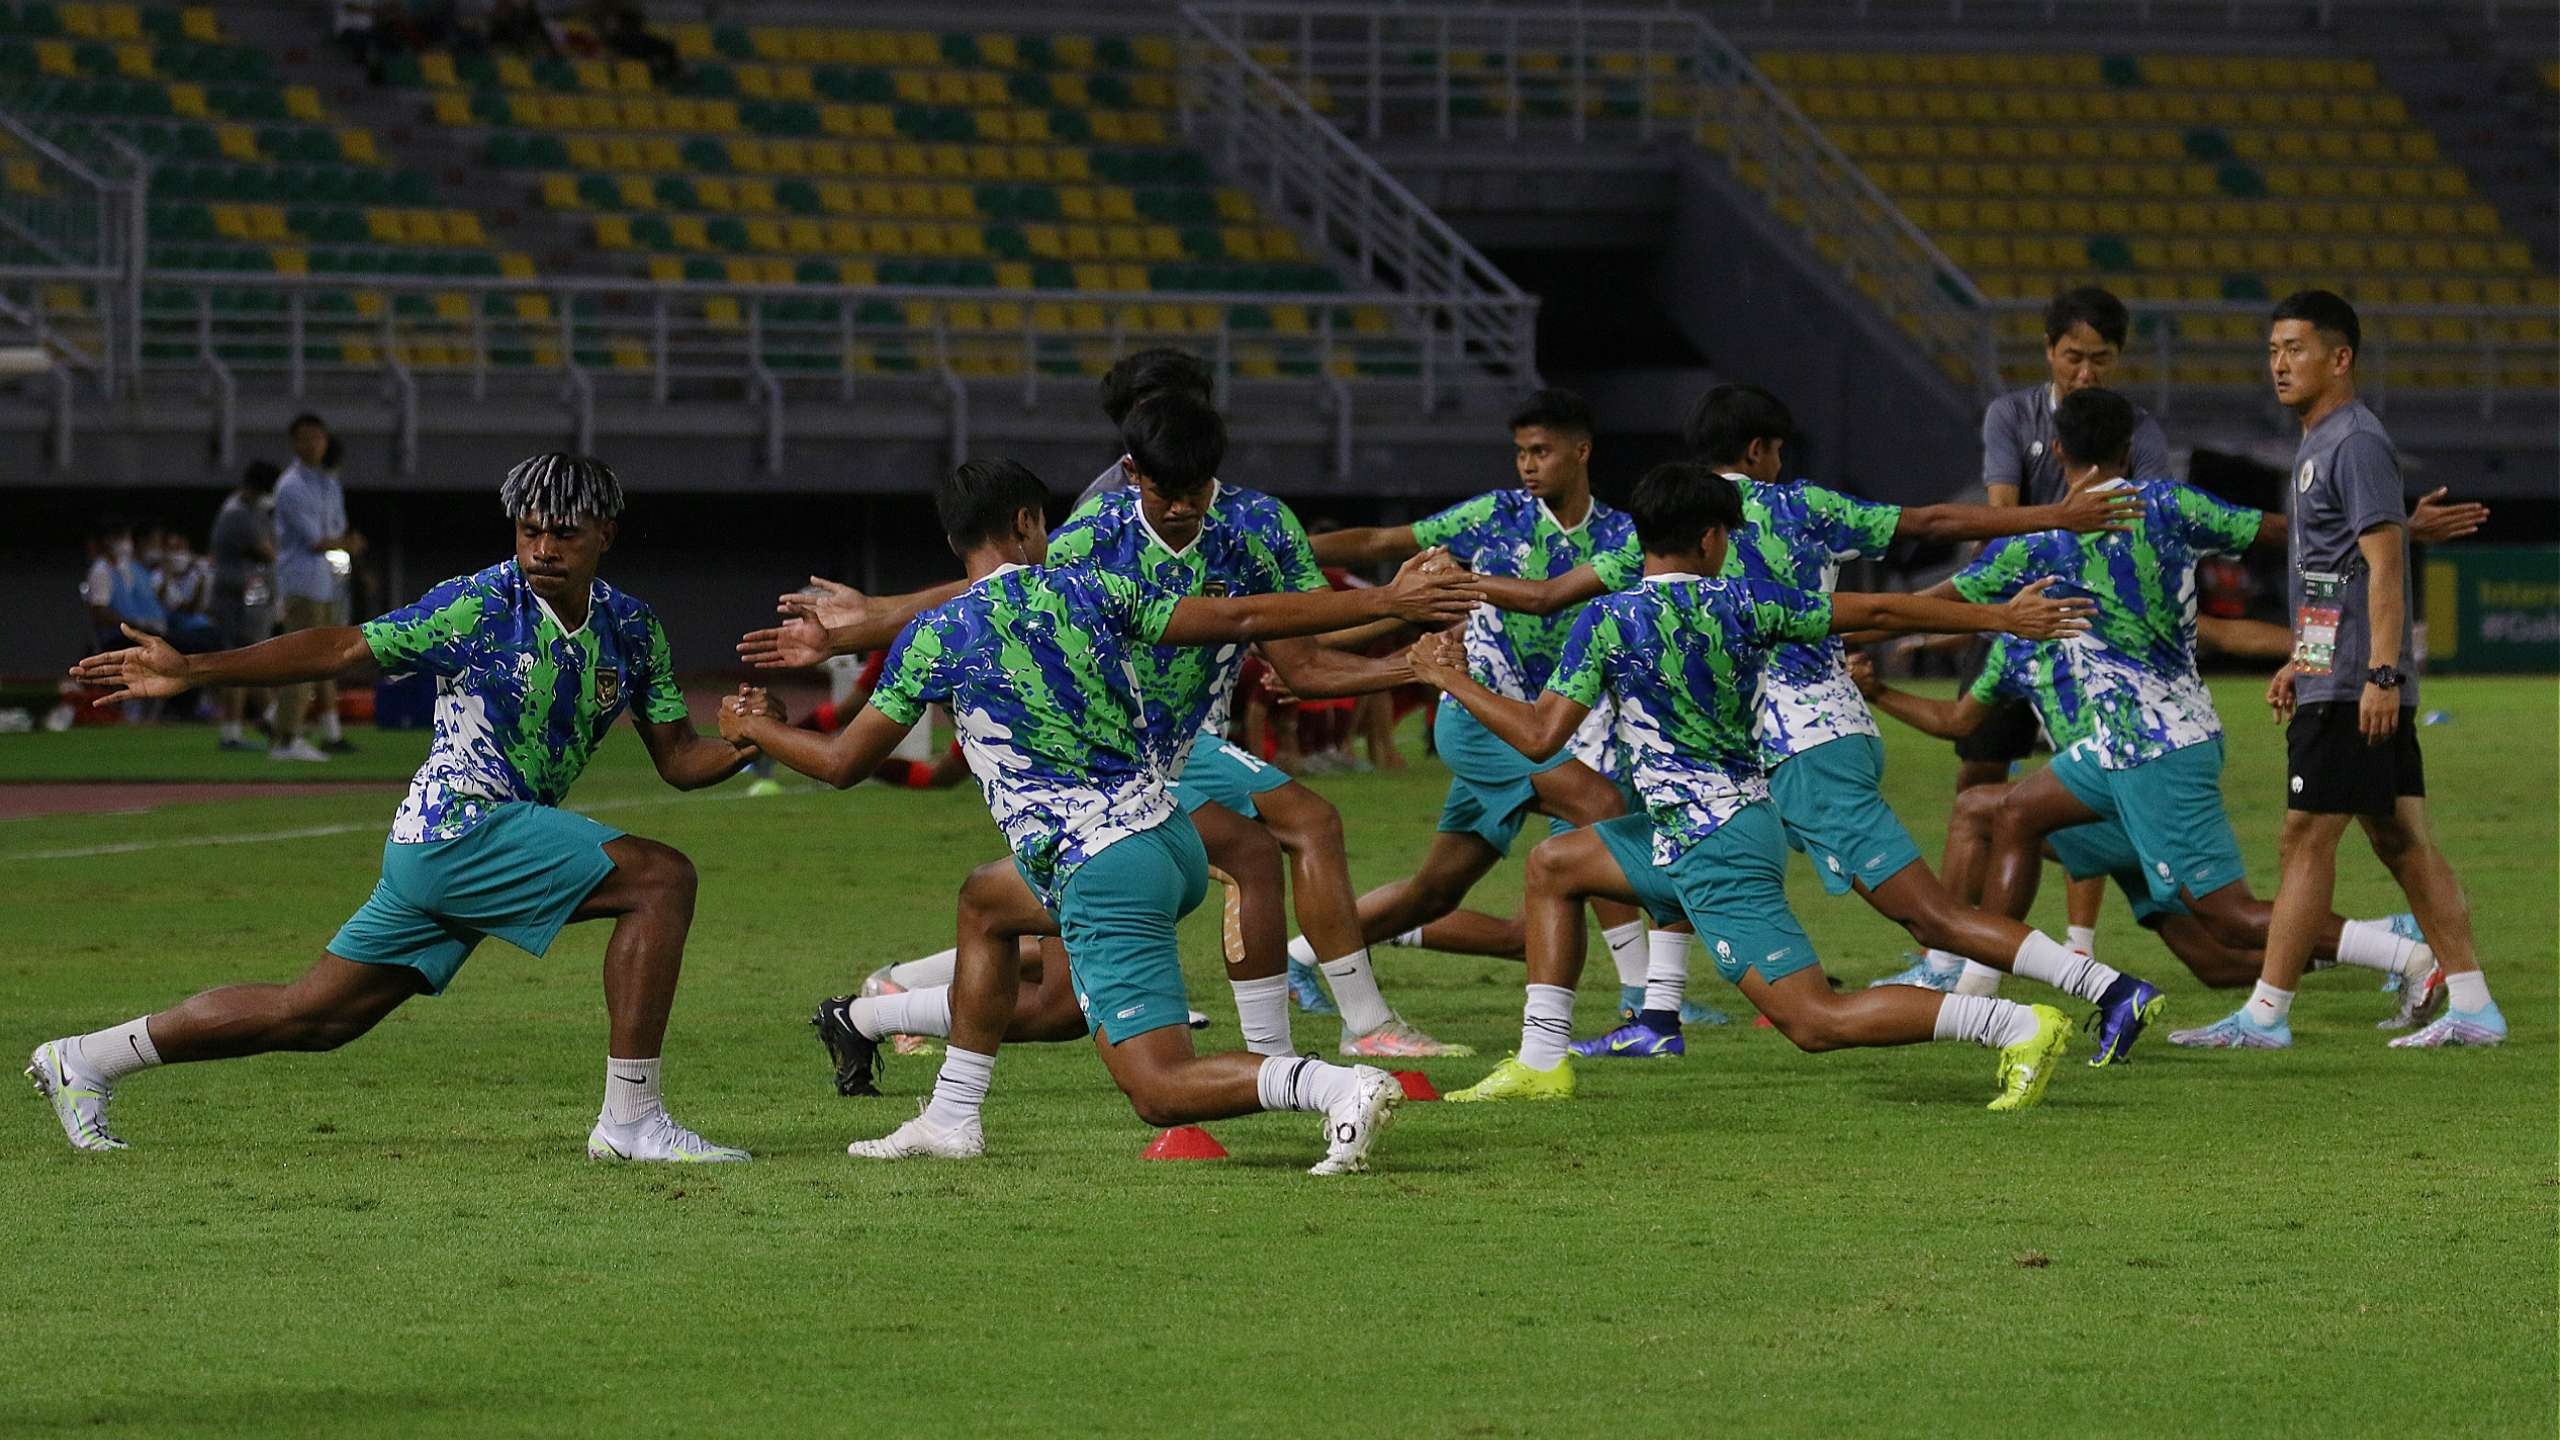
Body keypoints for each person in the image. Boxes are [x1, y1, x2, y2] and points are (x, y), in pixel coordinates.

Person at [719, 458, 1485, 1169]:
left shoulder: (935, 635)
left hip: (1102, 868)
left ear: (957, 539)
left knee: (1158, 1089)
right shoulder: (1094, 590)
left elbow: (842, 764)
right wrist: (1386, 599)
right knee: (986, 903)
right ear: (1026, 523)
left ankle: (1333, 1087)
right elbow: (1241, 618)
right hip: (1170, 835)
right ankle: (951, 1116)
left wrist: (757, 729)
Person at [37, 455, 763, 1163]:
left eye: (564, 533)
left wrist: (747, 740)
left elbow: (678, 759)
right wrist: (193, 668)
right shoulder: (476, 604)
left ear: (606, 532)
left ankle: (85, 1060)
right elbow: (344, 647)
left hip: (461, 843)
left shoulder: (634, 629)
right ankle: (631, 1121)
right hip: (459, 829)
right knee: (662, 880)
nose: (542, 548)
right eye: (529, 529)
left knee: (316, 1016)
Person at [1468, 384, 2170, 1063]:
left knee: (1925, 914)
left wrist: (1452, 588)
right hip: (1796, 741)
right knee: (1649, 843)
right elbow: (1931, 524)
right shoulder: (1801, 507)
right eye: (1778, 450)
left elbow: (1546, 596)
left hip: (1801, 749)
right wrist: (2050, 516)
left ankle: (2103, 987)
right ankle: (1657, 1012)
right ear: (1758, 449)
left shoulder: (1663, 534)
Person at [1407, 464, 2085, 1109]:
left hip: (1713, 845)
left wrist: (1449, 679)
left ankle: (2015, 1026)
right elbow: (1876, 612)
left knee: (1817, 1020)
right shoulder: (1749, 603)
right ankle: (1540, 1061)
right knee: (1553, 865)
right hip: (1698, 827)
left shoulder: (1606, 620)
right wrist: (1998, 618)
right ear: (1709, 538)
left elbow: (1537, 736)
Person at [1946, 389, 2447, 1037]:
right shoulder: (2172, 505)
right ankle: (1979, 991)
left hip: (2161, 749)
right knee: (2012, 812)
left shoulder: (2040, 540)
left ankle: (2407, 955)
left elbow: (1945, 596)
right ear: (2129, 447)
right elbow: (2285, 532)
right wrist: (2397, 522)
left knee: (2227, 918)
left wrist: (1840, 626)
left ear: (2060, 450)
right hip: (2120, 744)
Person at [2172, 291, 2503, 1050]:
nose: (2279, 364)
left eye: (2295, 349)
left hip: (2359, 685)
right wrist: (2303, 657)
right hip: (2338, 672)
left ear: (2340, 357)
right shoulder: (2318, 443)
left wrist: (2382, 676)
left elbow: (2386, 569)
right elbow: (2333, 574)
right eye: (2272, 351)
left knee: (2304, 837)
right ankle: (2474, 1005)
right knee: (2401, 841)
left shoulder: (2353, 441)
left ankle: (2265, 1014)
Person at [1297, 389, 1675, 1017]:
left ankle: (1299, 956)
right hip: (1480, 717)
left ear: (1580, 452)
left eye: (1541, 451)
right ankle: (1647, 998)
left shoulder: (1620, 534)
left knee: (1435, 892)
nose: (1527, 465)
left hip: (1557, 727)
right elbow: (1380, 541)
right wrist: (1279, 544)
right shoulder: (1493, 516)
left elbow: (1563, 600)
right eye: (1521, 452)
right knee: (1600, 807)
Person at [1959, 286, 2172, 958]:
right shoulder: (2011, 416)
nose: (2086, 373)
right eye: (2073, 357)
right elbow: (1996, 517)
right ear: (2049, 351)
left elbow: (2155, 514)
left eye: (2100, 359)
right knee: (1978, 775)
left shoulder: (2135, 429)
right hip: (2014, 624)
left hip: (2094, 638)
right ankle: (1952, 938)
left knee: (2081, 781)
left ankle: (2079, 945)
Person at [271, 414, 365, 762]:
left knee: (324, 662)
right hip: (302, 581)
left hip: (326, 582)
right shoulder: (291, 485)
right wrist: (345, 542)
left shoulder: (327, 483)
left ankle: (298, 729)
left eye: (318, 437)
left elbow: (336, 528)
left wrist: (342, 540)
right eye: (304, 438)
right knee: (303, 662)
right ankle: (286, 737)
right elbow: (315, 539)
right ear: (294, 443)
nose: (312, 444)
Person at [210, 460, 283, 750]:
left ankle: (269, 719)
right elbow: (269, 552)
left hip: (248, 595)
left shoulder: (245, 509)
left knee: (253, 661)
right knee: (239, 663)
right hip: (238, 597)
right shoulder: (240, 514)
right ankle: (232, 732)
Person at [153, 527, 218, 654]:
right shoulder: (159, 576)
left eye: (180, 548)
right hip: (177, 630)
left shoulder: (197, 572)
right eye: (172, 549)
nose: (177, 554)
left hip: (203, 626)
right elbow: (185, 608)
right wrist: (168, 575)